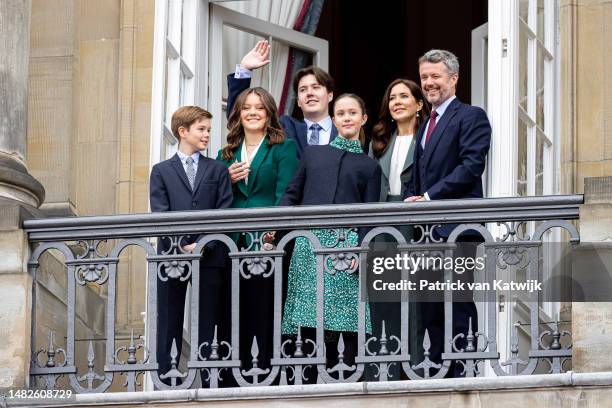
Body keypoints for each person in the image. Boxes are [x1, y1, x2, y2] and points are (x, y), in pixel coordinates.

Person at [281, 94, 382, 382]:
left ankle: (345, 383)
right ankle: (305, 384)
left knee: (346, 324)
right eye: (341, 113)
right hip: (309, 244)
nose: (347, 117)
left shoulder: (370, 167)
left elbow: (369, 215)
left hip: (346, 248)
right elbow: (291, 193)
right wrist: (273, 227)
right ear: (333, 119)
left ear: (363, 119)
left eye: (353, 112)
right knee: (307, 320)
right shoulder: (313, 153)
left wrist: (360, 251)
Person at [403, 49, 492, 377]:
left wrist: (427, 197)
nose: (429, 83)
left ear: (454, 79)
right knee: (429, 311)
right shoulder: (425, 124)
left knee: (457, 305)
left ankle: (463, 374)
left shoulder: (471, 116)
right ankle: (437, 374)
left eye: (435, 76)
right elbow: (418, 175)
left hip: (456, 228)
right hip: (426, 233)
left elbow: (471, 167)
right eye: (424, 77)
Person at [216, 87, 299, 373]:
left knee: (264, 310)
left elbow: (286, 193)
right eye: (246, 107)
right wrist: (224, 179)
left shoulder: (282, 147)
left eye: (259, 107)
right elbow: (211, 200)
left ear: (269, 114)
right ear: (238, 113)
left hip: (268, 242)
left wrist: (272, 234)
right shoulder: (224, 154)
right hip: (231, 243)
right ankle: (230, 376)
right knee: (231, 310)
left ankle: (264, 372)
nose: (252, 112)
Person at [149, 106, 233, 386]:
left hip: (210, 257)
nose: (207, 134)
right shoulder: (161, 171)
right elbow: (161, 213)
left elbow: (224, 210)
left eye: (209, 129)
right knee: (169, 318)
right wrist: (182, 245)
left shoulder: (217, 169)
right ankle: (167, 380)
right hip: (172, 257)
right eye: (202, 129)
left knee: (208, 318)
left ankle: (209, 379)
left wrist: (203, 243)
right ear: (183, 132)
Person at [367, 79, 430, 380]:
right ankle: (383, 370)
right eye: (392, 97)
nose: (397, 102)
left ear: (419, 104)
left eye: (405, 96)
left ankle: (416, 369)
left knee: (414, 301)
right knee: (382, 299)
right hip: (381, 226)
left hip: (414, 227)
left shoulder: (428, 139)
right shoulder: (378, 141)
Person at [227, 40, 337, 158]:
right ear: (298, 101)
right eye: (303, 90)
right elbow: (239, 117)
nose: (309, 93)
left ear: (330, 95)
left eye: (316, 87)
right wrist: (244, 70)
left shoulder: (347, 129)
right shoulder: (285, 127)